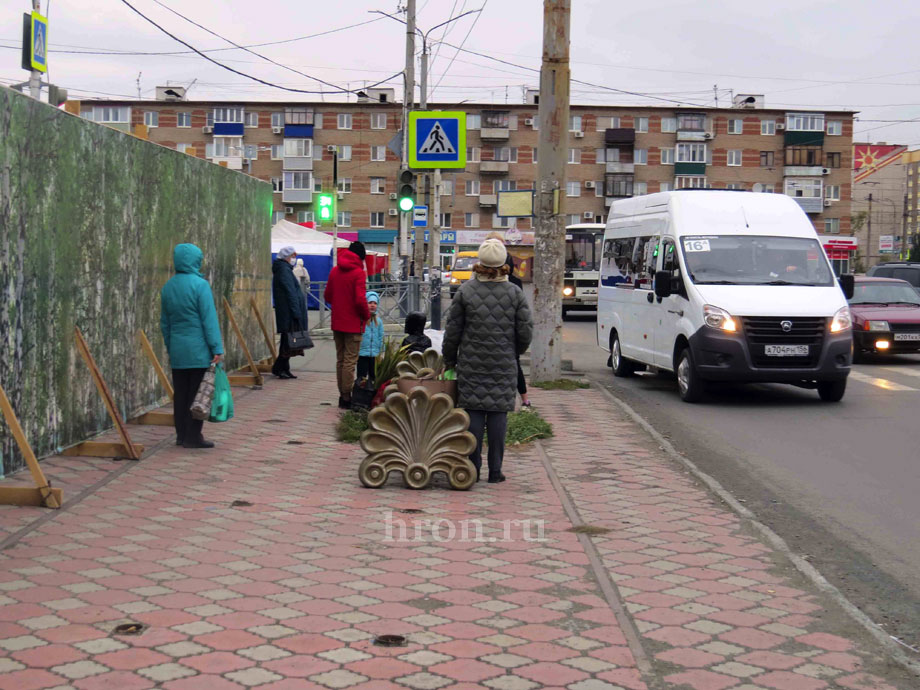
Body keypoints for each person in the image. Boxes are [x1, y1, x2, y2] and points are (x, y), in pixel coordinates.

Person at [443, 239, 533, 483]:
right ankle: (495, 471)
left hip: (471, 362)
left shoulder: (466, 291)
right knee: (498, 414)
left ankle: (473, 468)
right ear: (503, 262)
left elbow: (453, 331)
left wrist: (449, 360)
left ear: (479, 262)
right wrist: (515, 351)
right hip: (504, 363)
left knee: (473, 412)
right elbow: (525, 330)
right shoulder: (514, 293)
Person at [160, 243, 224, 449]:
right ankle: (193, 436)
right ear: (196, 260)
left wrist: (171, 346)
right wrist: (216, 348)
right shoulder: (200, 285)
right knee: (198, 394)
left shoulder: (168, 287)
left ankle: (180, 434)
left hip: (178, 349)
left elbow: (165, 323)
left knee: (181, 394)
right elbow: (209, 319)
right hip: (198, 350)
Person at [325, 241, 371, 409]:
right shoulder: (359, 273)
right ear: (361, 257)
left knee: (341, 360)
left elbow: (327, 295)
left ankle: (342, 395)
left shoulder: (335, 271)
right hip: (353, 324)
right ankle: (347, 397)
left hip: (337, 322)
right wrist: (366, 315)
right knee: (350, 361)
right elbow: (360, 300)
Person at [271, 246, 309, 380]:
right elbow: (290, 293)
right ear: (287, 257)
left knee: (287, 341)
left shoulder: (284, 269)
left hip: (287, 312)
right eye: (292, 256)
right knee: (288, 342)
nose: (294, 259)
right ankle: (279, 368)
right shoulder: (284, 271)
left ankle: (283, 368)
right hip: (288, 313)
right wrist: (296, 312)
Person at [505, 253, 531, 408]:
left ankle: (524, 398)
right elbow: (524, 319)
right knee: (515, 365)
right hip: (510, 333)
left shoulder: (473, 286)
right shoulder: (516, 283)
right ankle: (525, 399)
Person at [357, 291, 384, 382]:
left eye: (375, 303)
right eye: (370, 303)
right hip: (362, 353)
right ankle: (360, 394)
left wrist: (382, 350)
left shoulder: (379, 321)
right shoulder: (361, 319)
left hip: (375, 354)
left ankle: (372, 393)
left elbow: (381, 336)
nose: (372, 305)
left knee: (374, 376)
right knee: (361, 376)